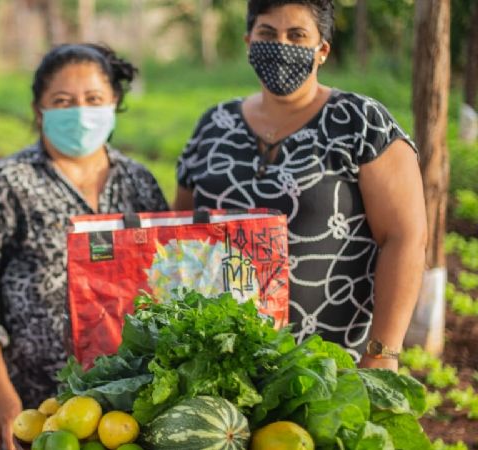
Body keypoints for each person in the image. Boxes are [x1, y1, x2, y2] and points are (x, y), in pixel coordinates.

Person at [174, 0, 426, 370]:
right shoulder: (214, 124)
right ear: (248, 42)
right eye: (267, 34)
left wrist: (382, 353)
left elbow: (405, 238)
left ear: (321, 49)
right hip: (218, 367)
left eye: (297, 35)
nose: (281, 46)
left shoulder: (359, 123)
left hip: (328, 368)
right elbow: (180, 233)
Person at [0, 43, 169, 449]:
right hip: (36, 405)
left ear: (114, 102)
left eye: (93, 99)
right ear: (39, 110)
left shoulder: (139, 183)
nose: (80, 112)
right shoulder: (8, 183)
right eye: (63, 101)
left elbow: (165, 279)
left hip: (127, 406)